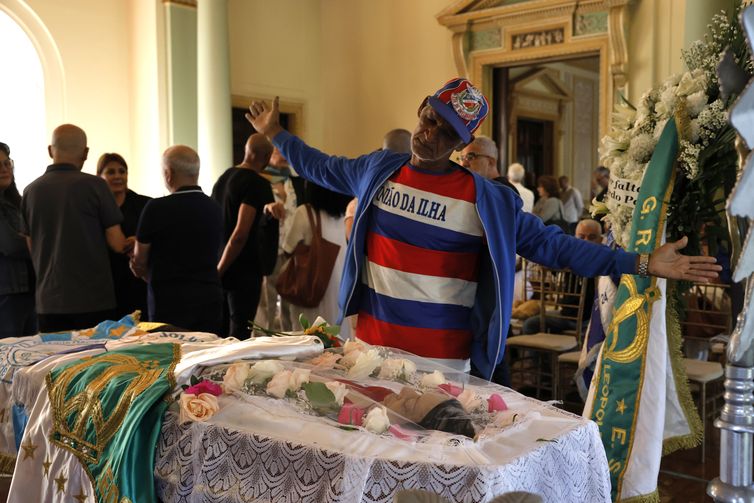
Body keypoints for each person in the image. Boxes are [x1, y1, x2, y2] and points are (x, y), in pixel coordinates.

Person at [246, 78, 720, 378]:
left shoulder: (487, 199)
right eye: (430, 119)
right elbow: (321, 166)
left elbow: (554, 247)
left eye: (447, 132)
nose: (431, 134)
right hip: (370, 348)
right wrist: (276, 134)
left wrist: (640, 261)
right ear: (420, 110)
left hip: (445, 364)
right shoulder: (377, 171)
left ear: (462, 143)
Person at [21, 124, 131, 332]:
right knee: (93, 363)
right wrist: (136, 243)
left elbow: (32, 246)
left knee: (55, 363)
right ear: (86, 152)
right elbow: (117, 243)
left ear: (50, 150)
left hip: (49, 301)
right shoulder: (96, 186)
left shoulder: (31, 191)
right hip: (93, 301)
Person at [131, 145, 223, 333]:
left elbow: (139, 260)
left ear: (168, 173)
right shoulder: (214, 207)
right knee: (205, 356)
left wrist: (139, 269)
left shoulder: (156, 208)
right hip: (208, 299)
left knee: (170, 358)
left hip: (168, 302)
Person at [211, 134, 284, 339]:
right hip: (242, 269)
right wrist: (221, 268)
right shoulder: (257, 184)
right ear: (268, 156)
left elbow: (218, 222)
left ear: (246, 150)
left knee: (219, 332)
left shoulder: (224, 177)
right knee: (238, 334)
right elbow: (240, 234)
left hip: (220, 261)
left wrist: (217, 267)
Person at [283, 182, 352, 337]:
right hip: (341, 285)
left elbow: (288, 248)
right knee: (336, 337)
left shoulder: (305, 212)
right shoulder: (347, 214)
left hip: (312, 284)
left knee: (309, 338)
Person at [521, 219, 604, 335]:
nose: (586, 241)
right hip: (565, 314)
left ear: (601, 240)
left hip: (585, 321)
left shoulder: (601, 262)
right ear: (574, 238)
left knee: (531, 324)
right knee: (529, 318)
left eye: (592, 237)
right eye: (581, 237)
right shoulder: (570, 258)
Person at [97, 153, 151, 319]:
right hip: (105, 281)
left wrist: (139, 241)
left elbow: (160, 238)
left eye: (122, 171)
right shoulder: (93, 207)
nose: (118, 176)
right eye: (111, 172)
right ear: (99, 177)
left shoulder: (145, 204)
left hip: (137, 280)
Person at [0, 142, 37, 337]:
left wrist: (28, 238)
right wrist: (35, 240)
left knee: (30, 361)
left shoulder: (17, 201)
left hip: (27, 291)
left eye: (7, 164)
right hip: (6, 294)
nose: (5, 169)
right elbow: (11, 245)